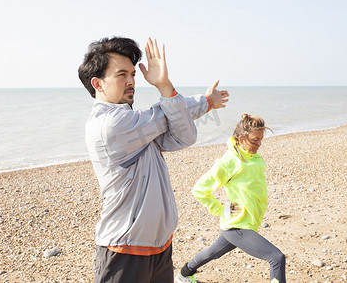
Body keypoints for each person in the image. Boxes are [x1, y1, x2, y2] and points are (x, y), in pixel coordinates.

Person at [78, 36, 229, 283]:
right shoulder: (110, 125)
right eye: (121, 74)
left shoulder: (137, 125)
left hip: (159, 247)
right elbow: (165, 116)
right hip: (123, 251)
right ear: (98, 84)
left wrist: (204, 103)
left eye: (133, 74)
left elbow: (184, 135)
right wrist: (170, 88)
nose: (131, 81)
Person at [175, 113, 286, 283]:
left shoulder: (254, 158)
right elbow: (200, 189)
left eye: (261, 139)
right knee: (276, 258)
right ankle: (184, 275)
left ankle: (184, 274)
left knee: (213, 253)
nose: (259, 144)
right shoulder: (229, 161)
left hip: (247, 222)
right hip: (238, 225)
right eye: (255, 140)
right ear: (241, 139)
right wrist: (221, 209)